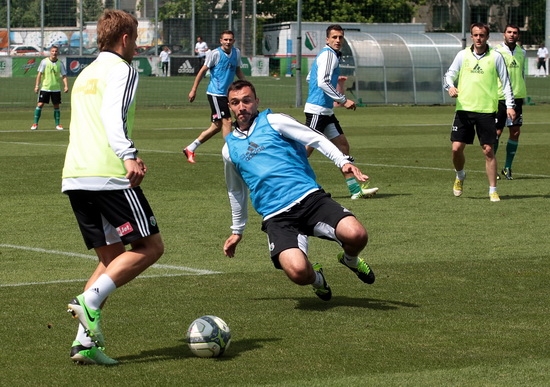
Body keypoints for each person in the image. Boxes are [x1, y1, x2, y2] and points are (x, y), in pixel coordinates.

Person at [62, 9, 164, 365]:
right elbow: (111, 116)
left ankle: (83, 343)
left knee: (110, 260)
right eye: (134, 39)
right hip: (108, 175)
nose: (135, 46)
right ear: (125, 39)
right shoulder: (123, 69)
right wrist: (128, 155)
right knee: (150, 246)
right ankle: (87, 302)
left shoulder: (85, 73)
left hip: (75, 175)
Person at [222, 80, 375, 302]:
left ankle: (350, 260)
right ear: (230, 106)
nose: (241, 107)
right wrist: (237, 231)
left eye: (246, 100)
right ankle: (318, 280)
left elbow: (314, 137)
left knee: (357, 235)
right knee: (298, 272)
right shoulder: (229, 150)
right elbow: (236, 191)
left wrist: (342, 161)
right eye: (235, 103)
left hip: (310, 199)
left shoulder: (274, 121)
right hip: (277, 216)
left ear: (256, 101)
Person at [304, 24, 378, 200]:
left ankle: (354, 190)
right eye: (334, 37)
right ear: (327, 39)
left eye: (340, 37)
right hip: (317, 111)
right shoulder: (329, 55)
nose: (338, 40)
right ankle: (283, 182)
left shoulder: (329, 55)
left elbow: (310, 78)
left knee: (342, 145)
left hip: (326, 111)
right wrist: (343, 100)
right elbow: (322, 82)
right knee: (304, 151)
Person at [443, 22, 516, 202]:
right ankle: (460, 175)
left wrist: (509, 105)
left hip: (486, 111)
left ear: (487, 37)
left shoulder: (496, 57)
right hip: (464, 110)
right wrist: (450, 87)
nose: (478, 38)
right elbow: (449, 75)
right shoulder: (462, 55)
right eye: (475, 35)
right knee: (456, 149)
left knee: (488, 150)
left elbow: (506, 83)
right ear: (471, 36)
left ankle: (492, 190)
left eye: (481, 35)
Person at [184, 30, 246, 163]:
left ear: (233, 41)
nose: (228, 42)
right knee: (228, 121)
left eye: (230, 40)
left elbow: (237, 70)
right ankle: (230, 153)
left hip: (227, 94)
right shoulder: (215, 54)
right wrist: (193, 90)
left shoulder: (237, 53)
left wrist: (246, 86)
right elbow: (202, 72)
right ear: (221, 41)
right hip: (215, 94)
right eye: (225, 39)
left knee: (217, 126)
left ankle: (190, 148)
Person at [494, 24, 527, 180]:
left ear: (518, 35)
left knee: (515, 132)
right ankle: (491, 167)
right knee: (496, 133)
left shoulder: (522, 52)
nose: (512, 35)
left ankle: (507, 168)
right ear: (503, 34)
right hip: (499, 97)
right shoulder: (496, 52)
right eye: (509, 32)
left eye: (515, 33)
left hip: (516, 98)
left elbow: (521, 74)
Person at [31, 45, 69, 130]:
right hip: (45, 88)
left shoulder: (60, 63)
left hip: (56, 88)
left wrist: (66, 86)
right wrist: (37, 86)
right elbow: (39, 74)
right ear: (50, 52)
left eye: (56, 51)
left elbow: (64, 75)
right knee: (40, 104)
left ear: (57, 52)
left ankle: (57, 124)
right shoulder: (44, 62)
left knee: (56, 106)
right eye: (52, 51)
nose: (54, 53)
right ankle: (35, 124)